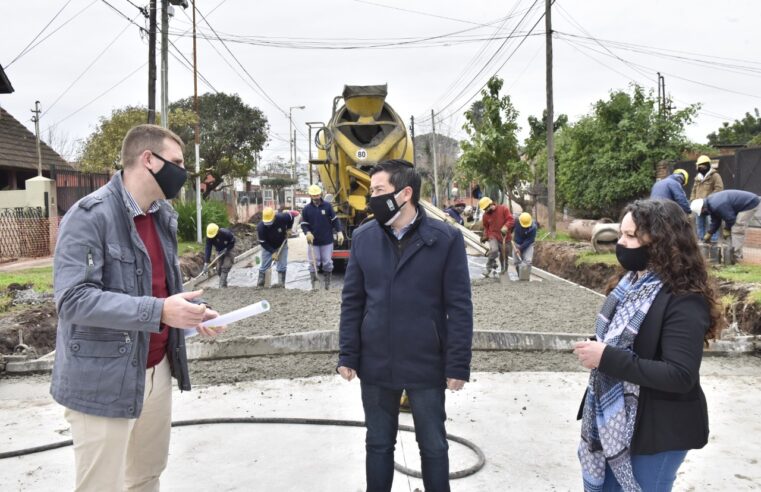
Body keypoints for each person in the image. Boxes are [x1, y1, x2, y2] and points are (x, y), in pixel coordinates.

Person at [50, 124, 223, 492]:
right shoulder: (89, 216)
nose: (183, 172)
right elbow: (73, 299)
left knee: (146, 476)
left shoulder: (161, 216)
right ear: (149, 160)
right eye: (176, 162)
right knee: (102, 485)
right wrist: (159, 311)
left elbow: (159, 289)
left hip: (156, 370)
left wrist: (192, 315)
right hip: (103, 380)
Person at [338, 159, 473, 492]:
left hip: (426, 362)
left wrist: (458, 363)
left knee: (433, 445)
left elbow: (459, 306)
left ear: (405, 193)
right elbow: (353, 300)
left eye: (379, 191)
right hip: (376, 362)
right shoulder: (364, 237)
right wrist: (348, 354)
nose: (372, 199)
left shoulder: (445, 239)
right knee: (379, 444)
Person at [573, 199, 722, 492]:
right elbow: (628, 342)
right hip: (616, 423)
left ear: (662, 242)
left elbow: (680, 375)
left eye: (631, 237)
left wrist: (607, 358)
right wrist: (601, 349)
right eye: (621, 234)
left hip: (659, 431)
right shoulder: (629, 284)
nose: (621, 243)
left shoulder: (684, 299)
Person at [691, 189, 761, 259]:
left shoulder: (717, 205)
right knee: (732, 228)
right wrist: (710, 232)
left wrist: (727, 229)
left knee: (737, 228)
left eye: (702, 213)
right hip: (741, 204)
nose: (703, 214)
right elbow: (716, 221)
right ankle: (732, 252)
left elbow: (730, 219)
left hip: (750, 203)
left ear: (703, 208)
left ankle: (736, 256)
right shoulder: (711, 205)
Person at [300, 183, 344, 290]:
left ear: (320, 194)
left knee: (327, 262)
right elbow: (304, 224)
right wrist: (307, 233)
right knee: (313, 262)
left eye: (317, 195)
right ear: (310, 196)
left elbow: (335, 220)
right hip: (313, 242)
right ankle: (314, 284)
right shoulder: (306, 209)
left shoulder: (327, 206)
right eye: (313, 195)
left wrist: (339, 232)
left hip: (327, 240)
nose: (316, 197)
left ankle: (327, 284)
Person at [256, 206, 295, 288]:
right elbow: (263, 242)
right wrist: (272, 251)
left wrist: (289, 228)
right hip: (268, 246)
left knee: (282, 265)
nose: (268, 225)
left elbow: (292, 216)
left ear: (274, 217)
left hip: (282, 244)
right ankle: (260, 284)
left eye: (270, 222)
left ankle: (281, 284)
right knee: (265, 265)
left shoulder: (282, 217)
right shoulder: (261, 227)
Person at [690, 155, 724, 242]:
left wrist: (707, 200)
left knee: (712, 223)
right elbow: (694, 190)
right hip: (698, 206)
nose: (701, 168)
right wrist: (693, 200)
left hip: (711, 205)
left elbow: (719, 189)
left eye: (703, 166)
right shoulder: (698, 178)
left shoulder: (715, 176)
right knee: (699, 224)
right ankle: (702, 241)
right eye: (700, 166)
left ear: (708, 165)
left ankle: (713, 242)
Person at [478, 196, 515, 276]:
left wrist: (506, 226)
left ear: (491, 204)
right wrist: (486, 236)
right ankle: (488, 269)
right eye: (484, 209)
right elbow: (486, 227)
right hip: (493, 236)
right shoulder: (485, 216)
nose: (486, 211)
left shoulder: (503, 209)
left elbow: (511, 219)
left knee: (504, 256)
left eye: (486, 208)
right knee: (494, 250)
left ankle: (504, 272)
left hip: (505, 237)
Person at [203, 223, 236, 288]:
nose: (212, 237)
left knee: (225, 267)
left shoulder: (226, 233)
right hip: (219, 251)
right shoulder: (209, 237)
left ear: (217, 231)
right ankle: (224, 283)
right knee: (218, 269)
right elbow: (208, 248)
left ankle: (221, 286)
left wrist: (227, 249)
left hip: (229, 250)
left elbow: (233, 241)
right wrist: (206, 262)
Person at [513, 212, 537, 276]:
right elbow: (510, 227)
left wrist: (520, 249)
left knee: (528, 261)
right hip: (517, 243)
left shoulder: (533, 227)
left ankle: (525, 277)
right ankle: (520, 276)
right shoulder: (516, 221)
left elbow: (529, 240)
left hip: (528, 245)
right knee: (516, 262)